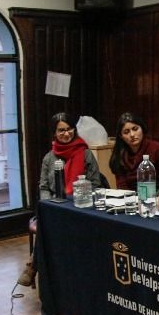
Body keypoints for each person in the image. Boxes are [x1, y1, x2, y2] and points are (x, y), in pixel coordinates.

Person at [17, 112, 106, 287]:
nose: (66, 133)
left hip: (81, 204)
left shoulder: (86, 153)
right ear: (54, 133)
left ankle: (32, 266)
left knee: (57, 222)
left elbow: (96, 184)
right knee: (49, 219)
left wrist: (79, 198)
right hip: (55, 205)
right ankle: (40, 270)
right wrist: (49, 204)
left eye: (69, 129)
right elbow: (44, 187)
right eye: (61, 130)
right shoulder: (49, 158)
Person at [109, 112, 159, 191]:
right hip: (130, 196)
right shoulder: (120, 154)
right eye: (126, 132)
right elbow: (122, 186)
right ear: (121, 136)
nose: (132, 134)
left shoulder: (157, 149)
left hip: (156, 194)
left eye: (135, 129)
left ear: (142, 128)